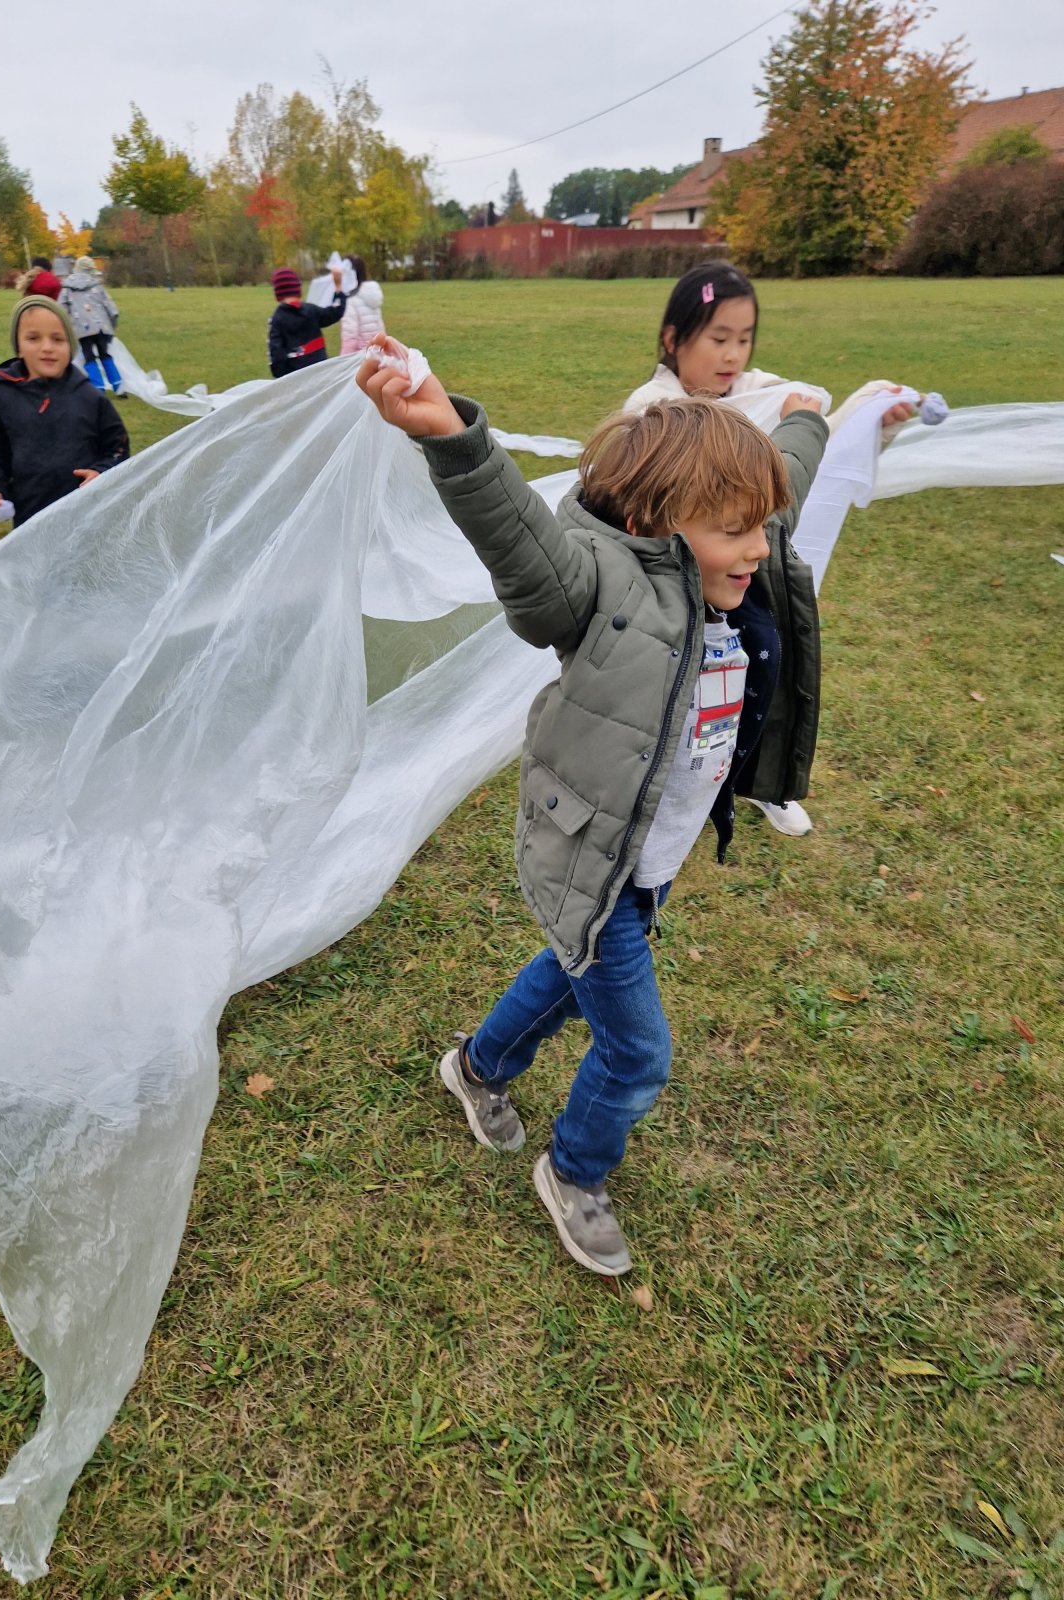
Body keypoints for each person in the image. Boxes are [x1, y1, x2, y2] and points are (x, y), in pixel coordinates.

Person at [357, 337, 828, 1276]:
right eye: (736, 530)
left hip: (647, 863)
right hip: (592, 854)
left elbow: (787, 482)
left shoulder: (736, 562)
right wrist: (450, 433)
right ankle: (574, 1171)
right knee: (638, 1052)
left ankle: (477, 1068)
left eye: (761, 526)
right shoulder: (602, 591)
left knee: (568, 973)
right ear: (658, 523)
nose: (760, 546)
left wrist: (809, 420)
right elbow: (520, 543)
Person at [625, 259, 917, 839]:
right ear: (674, 339)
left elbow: (811, 446)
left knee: (757, 675)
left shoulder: (762, 394)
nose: (733, 355)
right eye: (718, 339)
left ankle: (755, 781)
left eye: (744, 339)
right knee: (678, 699)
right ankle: (666, 794)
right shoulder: (651, 408)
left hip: (740, 584)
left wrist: (872, 419)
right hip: (675, 591)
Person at [0, 296, 129, 528]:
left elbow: (118, 447)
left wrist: (101, 472)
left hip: (86, 518)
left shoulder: (90, 397)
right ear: (18, 347)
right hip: (30, 519)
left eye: (58, 339)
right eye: (33, 338)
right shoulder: (1, 396)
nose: (47, 348)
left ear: (70, 347)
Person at [268, 265, 345, 378]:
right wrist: (338, 286)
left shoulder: (276, 320)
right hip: (321, 374)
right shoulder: (311, 311)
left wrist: (282, 378)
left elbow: (276, 357)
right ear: (298, 289)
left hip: (295, 379)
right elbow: (335, 312)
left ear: (277, 292)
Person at [59, 256, 122, 394]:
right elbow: (111, 307)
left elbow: (61, 308)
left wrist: (64, 326)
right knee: (104, 354)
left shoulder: (67, 287)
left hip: (81, 327)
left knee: (88, 356)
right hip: (101, 326)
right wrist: (112, 325)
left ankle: (98, 386)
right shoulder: (97, 286)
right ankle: (118, 385)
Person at [339, 255, 386, 355]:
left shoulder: (350, 300)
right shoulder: (371, 292)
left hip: (361, 356)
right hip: (379, 351)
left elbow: (350, 336)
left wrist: (344, 360)